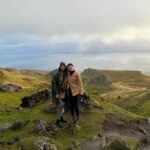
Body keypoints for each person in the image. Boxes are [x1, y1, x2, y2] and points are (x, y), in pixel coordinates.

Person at [51, 62, 67, 127]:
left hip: (64, 93)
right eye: (61, 66)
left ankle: (61, 118)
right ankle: (57, 121)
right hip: (58, 93)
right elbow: (54, 84)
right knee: (60, 106)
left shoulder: (66, 73)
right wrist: (56, 93)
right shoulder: (56, 74)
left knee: (62, 106)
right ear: (60, 67)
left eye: (63, 66)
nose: (62, 67)